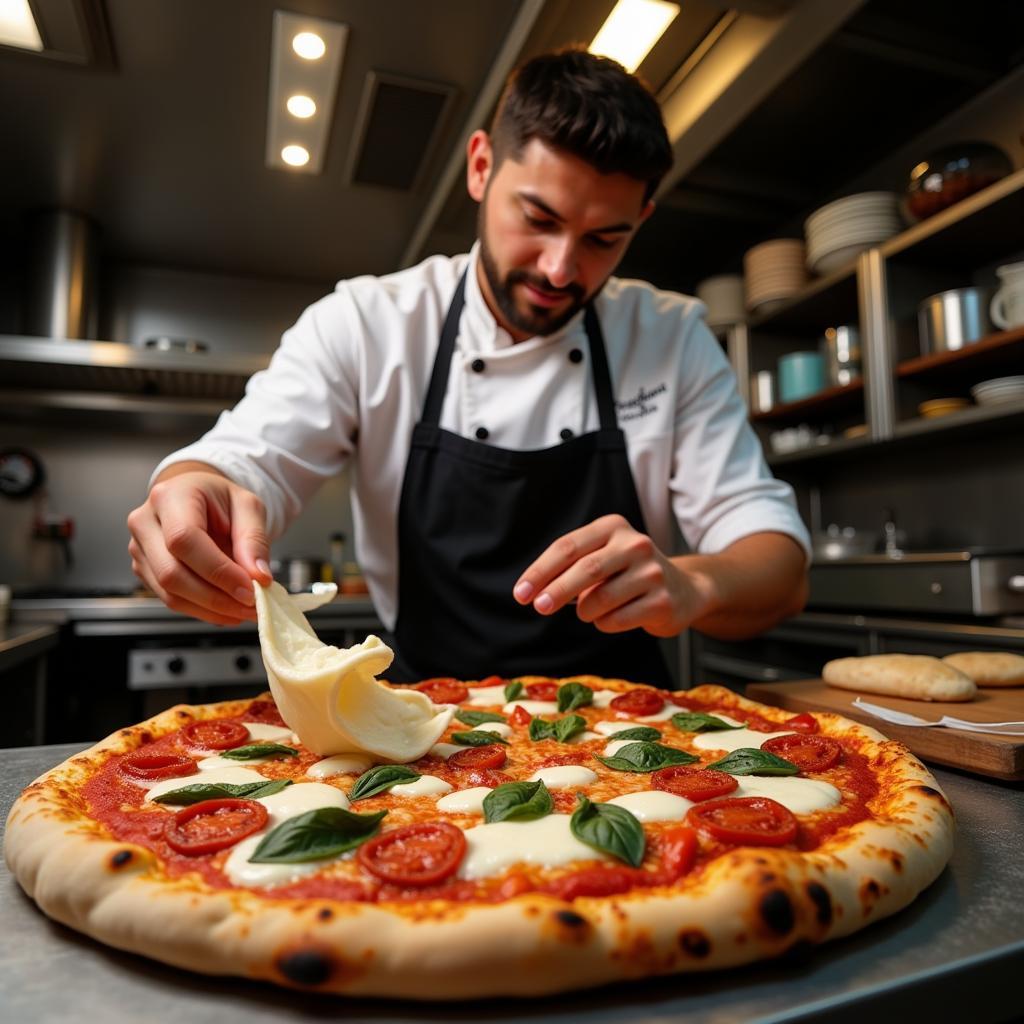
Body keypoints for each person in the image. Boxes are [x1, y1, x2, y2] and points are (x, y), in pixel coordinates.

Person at [127, 48, 810, 687]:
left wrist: (695, 585)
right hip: (430, 738)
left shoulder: (671, 336)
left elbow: (778, 566)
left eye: (605, 238)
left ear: (643, 218)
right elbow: (249, 458)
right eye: (538, 218)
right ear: (481, 167)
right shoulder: (369, 323)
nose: (561, 267)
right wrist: (197, 489)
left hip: (626, 736)